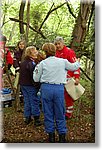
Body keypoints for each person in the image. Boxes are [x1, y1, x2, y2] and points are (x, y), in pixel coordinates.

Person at [33, 43, 80, 142]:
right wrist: (78, 62)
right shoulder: (63, 62)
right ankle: (62, 135)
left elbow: (36, 79)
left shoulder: (42, 63)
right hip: (58, 88)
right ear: (54, 51)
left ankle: (51, 136)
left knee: (48, 112)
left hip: (46, 88)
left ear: (45, 52)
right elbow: (74, 67)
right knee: (60, 111)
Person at [54, 36, 80, 119]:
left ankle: (69, 113)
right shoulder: (55, 53)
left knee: (68, 95)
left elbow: (75, 65)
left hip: (69, 78)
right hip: (58, 78)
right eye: (56, 44)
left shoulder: (69, 52)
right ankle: (61, 111)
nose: (58, 46)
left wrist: (76, 77)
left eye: (59, 43)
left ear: (63, 43)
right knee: (60, 95)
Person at [19, 46, 42, 126]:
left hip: (23, 85)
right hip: (30, 85)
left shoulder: (24, 62)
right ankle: (36, 119)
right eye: (35, 51)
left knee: (27, 101)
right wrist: (37, 86)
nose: (36, 52)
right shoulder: (30, 63)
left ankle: (27, 117)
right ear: (30, 53)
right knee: (34, 101)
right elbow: (34, 77)